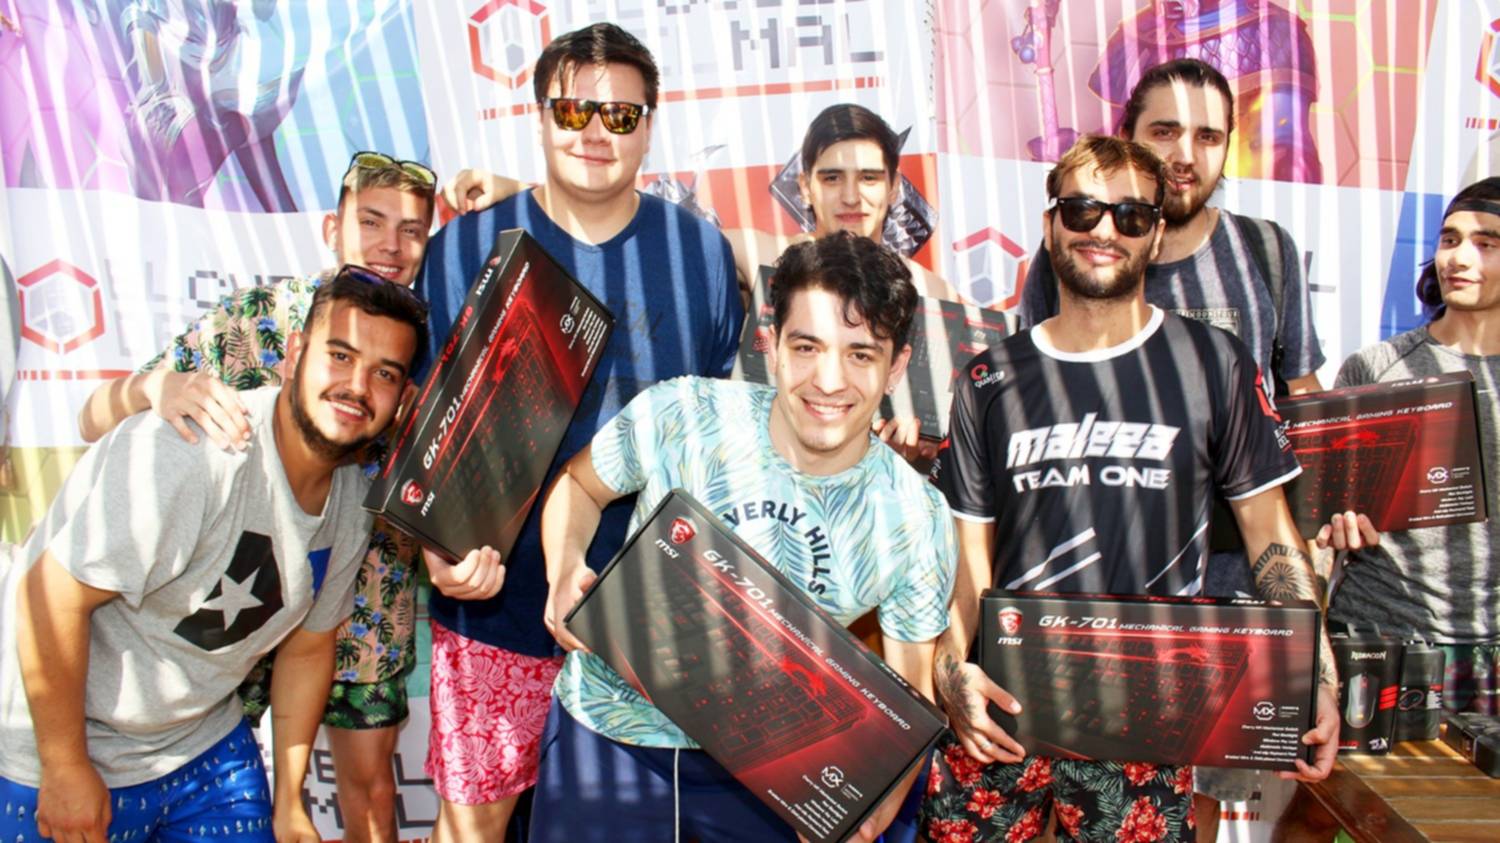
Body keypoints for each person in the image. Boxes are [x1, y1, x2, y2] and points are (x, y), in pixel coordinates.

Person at [919, 135, 1339, 842]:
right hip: (1000, 706)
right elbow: (968, 555)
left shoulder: (1212, 363)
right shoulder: (990, 379)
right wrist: (952, 670)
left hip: (1146, 714)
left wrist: (1314, 677)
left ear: (1157, 233)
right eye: (1082, 210)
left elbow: (1270, 534)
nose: (1104, 230)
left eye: (1131, 215)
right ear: (1050, 224)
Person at [70, 152, 491, 843]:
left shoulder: (430, 358)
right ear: (332, 227)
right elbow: (91, 419)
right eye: (371, 221)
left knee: (370, 797)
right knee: (209, 798)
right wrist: (154, 389)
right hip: (225, 608)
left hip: (364, 608)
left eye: (412, 230)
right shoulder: (256, 319)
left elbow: (450, 509)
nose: (390, 245)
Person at [413, 22, 744, 840]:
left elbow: (714, 430)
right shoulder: (462, 249)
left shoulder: (699, 254)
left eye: (621, 116)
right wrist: (432, 544)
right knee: (473, 829)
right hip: (494, 606)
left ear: (648, 127)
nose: (595, 132)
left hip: (650, 629)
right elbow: (424, 425)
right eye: (573, 111)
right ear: (539, 117)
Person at [534, 232, 956, 842]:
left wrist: (873, 807)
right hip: (606, 737)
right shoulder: (683, 412)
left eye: (860, 355)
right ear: (772, 344)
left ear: (896, 367)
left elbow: (906, 699)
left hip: (768, 784)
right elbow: (578, 486)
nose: (829, 380)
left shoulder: (916, 518)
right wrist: (565, 566)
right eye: (807, 347)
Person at [1015, 59, 1344, 832]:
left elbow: (1303, 404)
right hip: (1092, 599)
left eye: (1208, 136)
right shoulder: (1072, 255)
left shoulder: (1265, 253)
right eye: (1164, 131)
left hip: (1231, 589)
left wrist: (1337, 513)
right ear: (1127, 135)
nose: (1184, 155)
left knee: (1192, 810)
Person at [0, 270, 427, 843]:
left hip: (201, 744)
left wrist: (289, 802)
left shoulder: (352, 497)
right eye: (340, 356)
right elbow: (49, 596)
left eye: (384, 373)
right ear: (294, 354)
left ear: (400, 400)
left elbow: (308, 647)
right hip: (60, 742)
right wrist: (64, 766)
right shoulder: (193, 453)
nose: (357, 386)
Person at [1327, 177, 1500, 717]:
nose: (1459, 257)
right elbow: (1323, 511)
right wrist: (1336, 522)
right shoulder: (1375, 368)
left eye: (1486, 243)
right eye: (1450, 239)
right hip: (1377, 633)